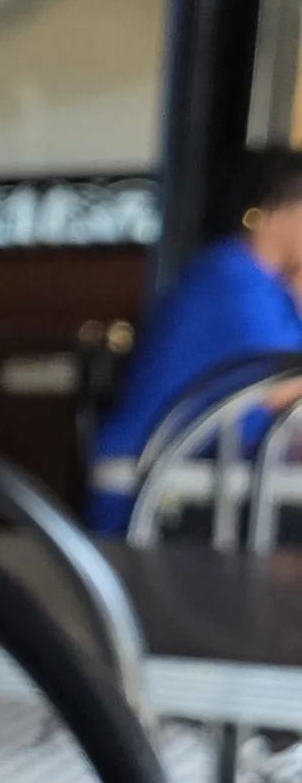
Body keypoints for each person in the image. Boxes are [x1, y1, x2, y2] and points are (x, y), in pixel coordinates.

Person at [88, 155, 302, 529]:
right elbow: (283, 386)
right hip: (148, 495)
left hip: (206, 484)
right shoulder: (231, 278)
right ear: (276, 210)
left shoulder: (265, 286)